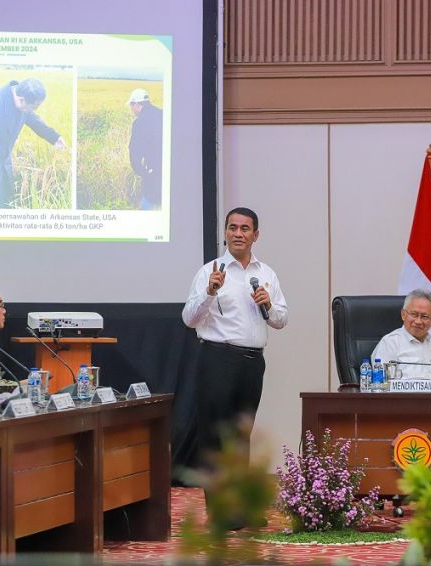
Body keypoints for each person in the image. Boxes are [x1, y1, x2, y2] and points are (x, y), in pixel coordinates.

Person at [182, 207, 288, 523]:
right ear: (225, 232)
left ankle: (241, 507)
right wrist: (209, 292)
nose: (238, 233)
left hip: (252, 364)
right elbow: (189, 319)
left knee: (242, 437)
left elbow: (282, 319)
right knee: (216, 437)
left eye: (245, 228)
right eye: (232, 227)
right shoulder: (209, 272)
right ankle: (221, 513)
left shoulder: (267, 274)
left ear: (256, 235)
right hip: (217, 359)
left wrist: (268, 304)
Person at [0, 78, 67, 208]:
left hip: (3, 164)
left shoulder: (23, 104)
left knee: (5, 203)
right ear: (21, 100)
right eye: (34, 107)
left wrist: (54, 137)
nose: (34, 110)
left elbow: (33, 120)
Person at [127, 88, 163, 210]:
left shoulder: (139, 124)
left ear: (137, 104)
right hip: (172, 174)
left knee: (147, 210)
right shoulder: (164, 114)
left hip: (153, 176)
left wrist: (144, 174)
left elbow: (134, 155)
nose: (131, 108)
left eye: (131, 105)